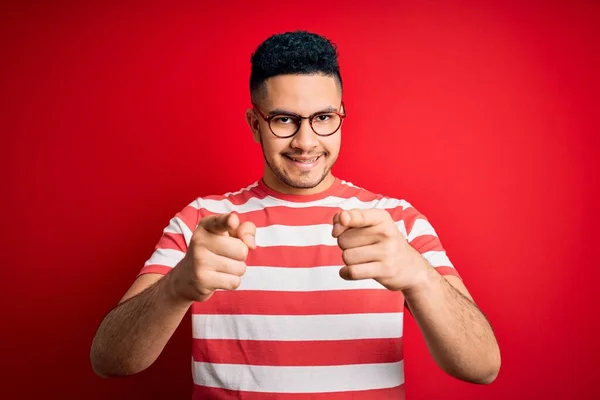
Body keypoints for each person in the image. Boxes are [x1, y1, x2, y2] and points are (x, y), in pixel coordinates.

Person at [90, 30, 501, 399]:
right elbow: (109, 361)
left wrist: (419, 276)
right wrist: (177, 286)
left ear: (341, 119)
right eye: (284, 120)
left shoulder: (394, 221)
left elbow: (482, 367)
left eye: (323, 118)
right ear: (255, 124)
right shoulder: (203, 221)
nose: (306, 142)